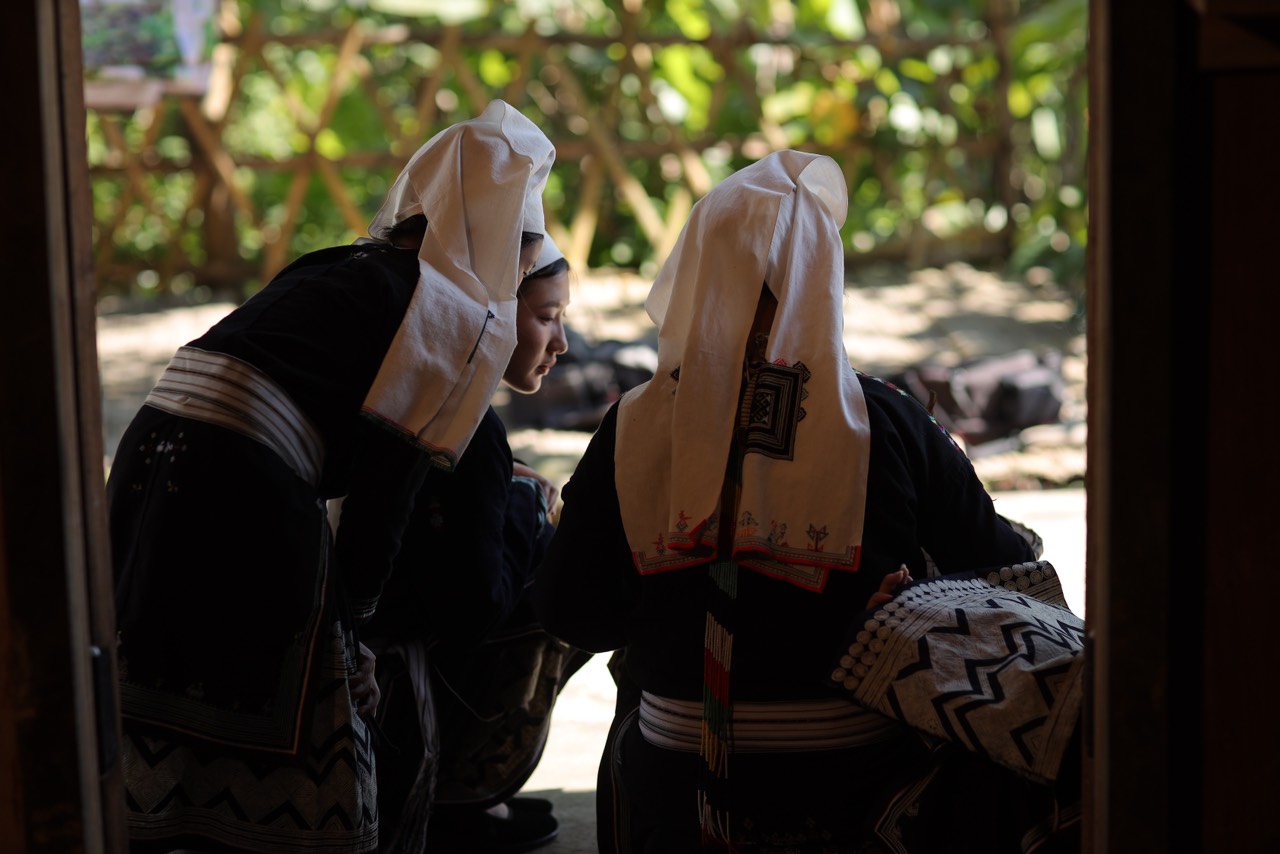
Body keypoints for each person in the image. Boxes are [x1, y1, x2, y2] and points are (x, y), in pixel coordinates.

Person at [532, 151, 1076, 852]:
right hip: (852, 777)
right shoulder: (885, 418)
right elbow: (1003, 568)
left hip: (675, 774)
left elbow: (570, 611)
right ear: (822, 276)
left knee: (635, 691)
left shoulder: (631, 424)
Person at [107, 100, 555, 854]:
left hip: (153, 455)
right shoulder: (448, 312)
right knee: (320, 730)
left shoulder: (343, 267)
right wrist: (356, 633)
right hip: (241, 476)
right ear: (505, 242)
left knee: (162, 672)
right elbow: (387, 486)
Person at [360, 236, 591, 853]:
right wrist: (526, 511)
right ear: (486, 311)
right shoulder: (470, 427)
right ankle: (459, 785)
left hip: (371, 626)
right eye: (546, 318)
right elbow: (474, 608)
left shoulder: (410, 382)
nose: (562, 344)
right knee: (572, 576)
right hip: (400, 660)